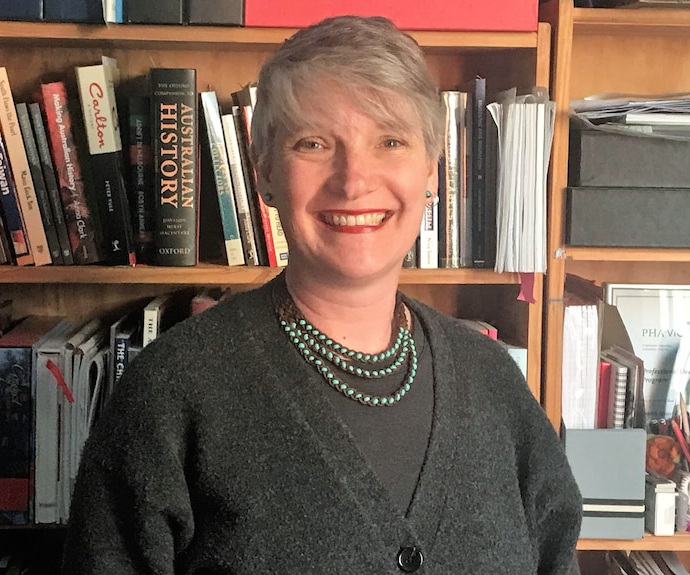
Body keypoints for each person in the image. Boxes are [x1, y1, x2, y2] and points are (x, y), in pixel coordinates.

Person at [61, 15, 582, 575]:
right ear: (263, 172)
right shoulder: (170, 392)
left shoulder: (495, 381)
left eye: (390, 141)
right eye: (312, 143)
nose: (353, 180)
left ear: (432, 171)